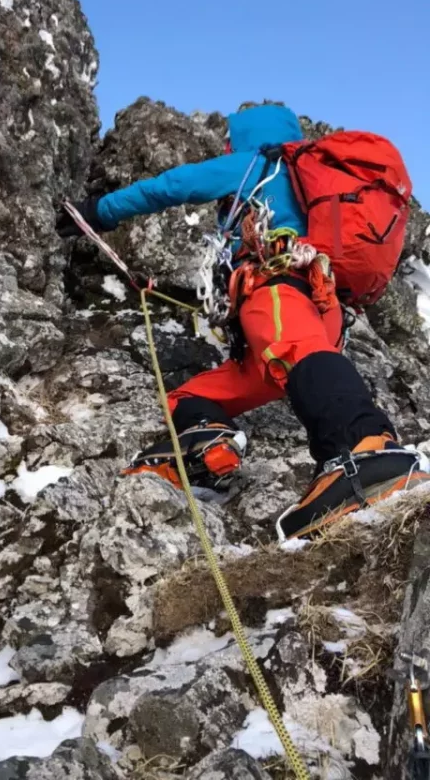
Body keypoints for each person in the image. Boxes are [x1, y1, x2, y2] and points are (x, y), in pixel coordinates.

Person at [57, 104, 428, 539]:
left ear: (241, 139)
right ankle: (205, 446)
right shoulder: (309, 179)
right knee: (189, 396)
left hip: (275, 288)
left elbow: (173, 185)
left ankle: (365, 452)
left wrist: (99, 211)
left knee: (298, 352)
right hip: (318, 308)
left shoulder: (257, 164)